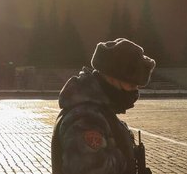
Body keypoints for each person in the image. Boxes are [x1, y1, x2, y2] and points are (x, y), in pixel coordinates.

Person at [51, 38, 156, 174]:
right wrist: (126, 156)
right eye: (131, 85)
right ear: (111, 78)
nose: (134, 91)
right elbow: (90, 168)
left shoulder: (98, 111)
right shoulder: (86, 118)